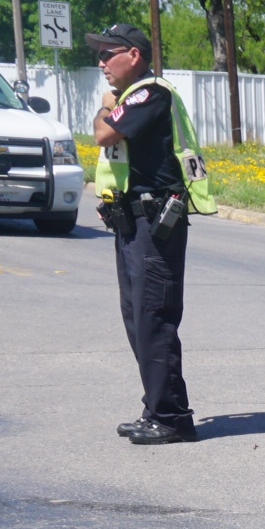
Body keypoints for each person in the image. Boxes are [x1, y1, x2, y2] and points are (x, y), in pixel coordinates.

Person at [87, 24, 214, 445]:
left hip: (155, 223)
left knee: (153, 318)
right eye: (99, 55)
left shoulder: (149, 93)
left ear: (134, 55)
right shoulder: (128, 98)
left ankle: (173, 418)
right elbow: (107, 134)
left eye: (108, 53)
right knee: (137, 318)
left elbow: (104, 133)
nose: (101, 62)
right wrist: (109, 105)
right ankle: (156, 407)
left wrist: (107, 106)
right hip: (132, 222)